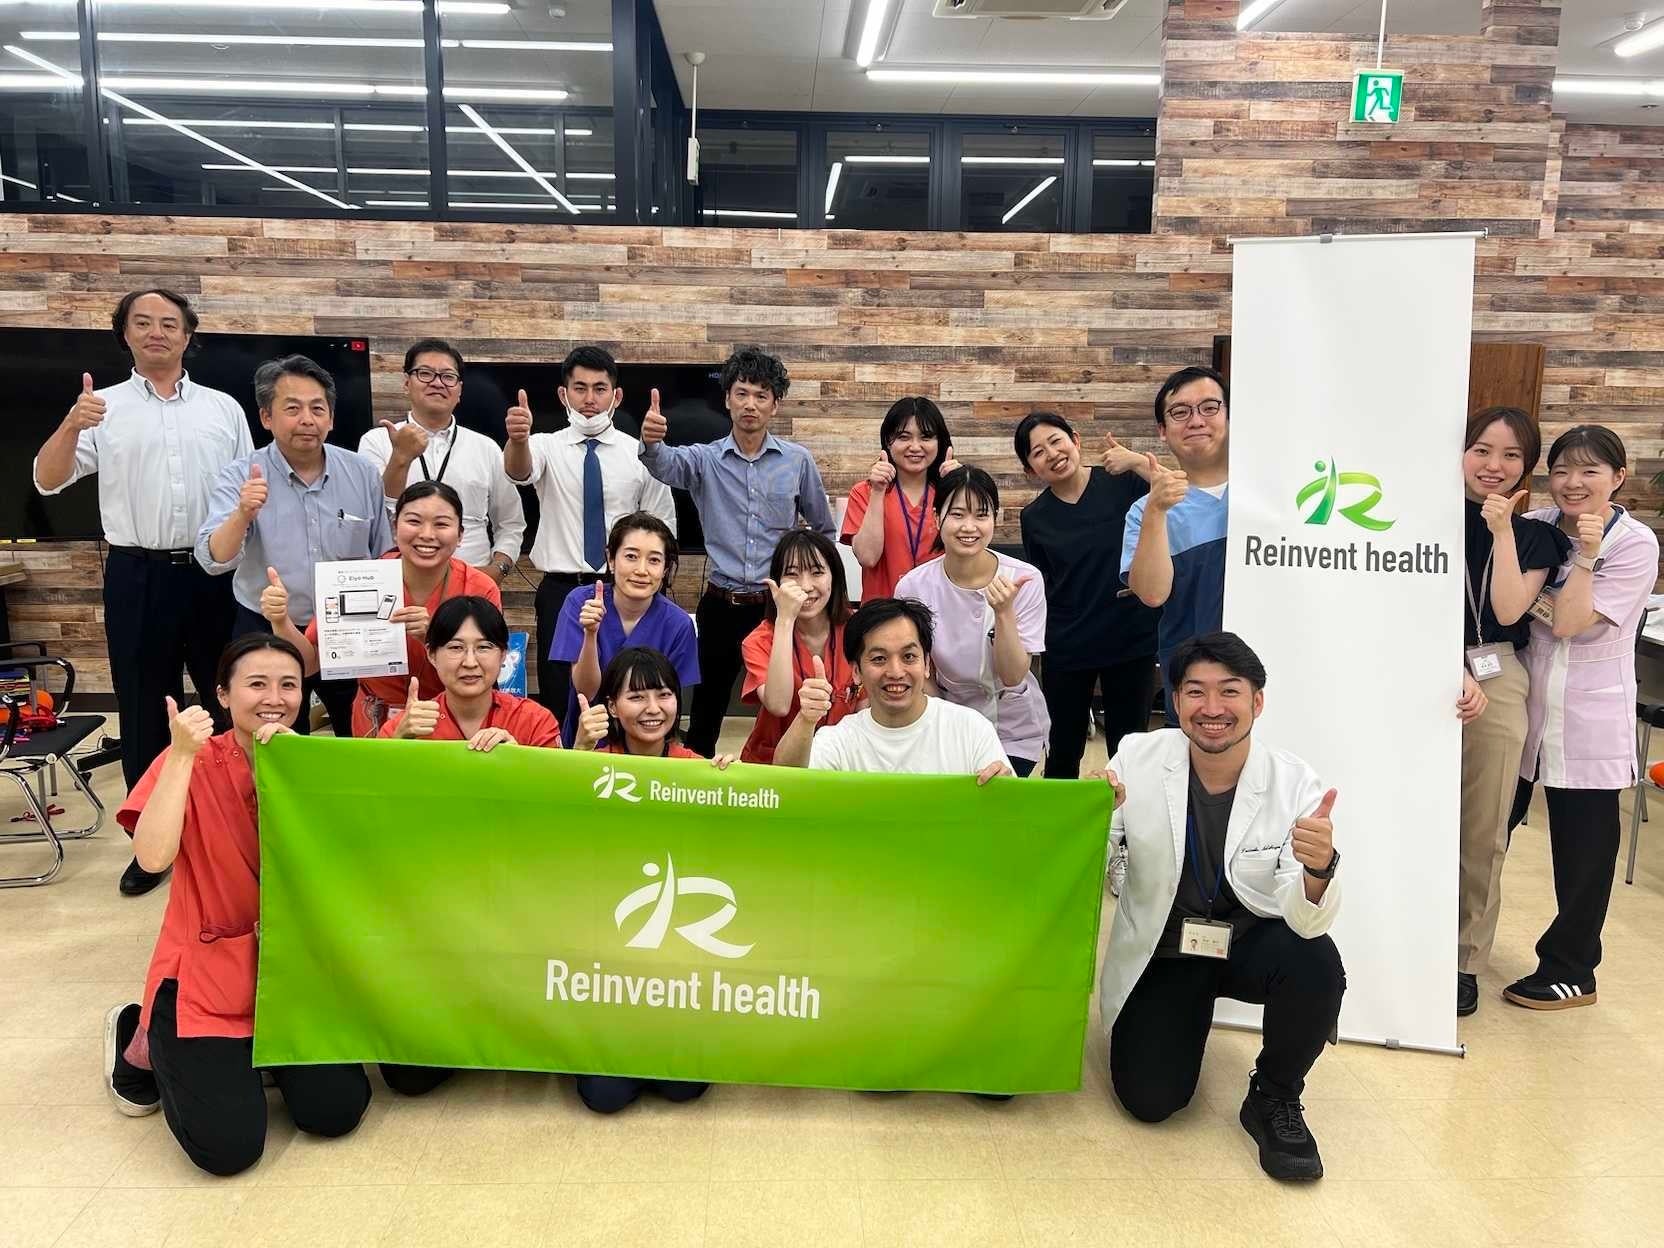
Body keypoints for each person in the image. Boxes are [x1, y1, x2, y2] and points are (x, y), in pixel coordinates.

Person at [102, 634, 370, 1174]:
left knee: (335, 1112)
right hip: (205, 973)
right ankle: (138, 1035)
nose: (274, 697)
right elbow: (152, 857)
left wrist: (299, 769)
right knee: (229, 1150)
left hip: (290, 971)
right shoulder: (191, 761)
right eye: (257, 684)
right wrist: (181, 754)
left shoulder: (314, 762)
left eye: (289, 685)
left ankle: (253, 1056)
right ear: (223, 694)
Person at [1097, 632, 1342, 1182]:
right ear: (1175, 700)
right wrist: (1090, 817)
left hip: (1250, 944)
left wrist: (1319, 869)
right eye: (1195, 691)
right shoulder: (1137, 757)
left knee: (1316, 962)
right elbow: (1098, 868)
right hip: (1167, 948)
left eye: (1229, 691)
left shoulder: (1294, 782)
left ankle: (1275, 1096)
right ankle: (1182, 1017)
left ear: (1257, 701)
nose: (1212, 708)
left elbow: (1306, 920)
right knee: (1150, 1102)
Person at [32, 288, 252, 897]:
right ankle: (150, 846)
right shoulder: (101, 407)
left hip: (213, 572)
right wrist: (70, 424)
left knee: (228, 701)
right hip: (137, 573)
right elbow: (47, 481)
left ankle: (235, 825)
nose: (157, 332)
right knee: (142, 707)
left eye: (170, 323)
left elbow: (247, 491)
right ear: (125, 334)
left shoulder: (223, 409)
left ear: (188, 335)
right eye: (143, 323)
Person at [1505, 426, 1657, 1010]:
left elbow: (1568, 623)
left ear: (1618, 478)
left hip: (1590, 713)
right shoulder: (1537, 524)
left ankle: (1571, 969)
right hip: (1521, 704)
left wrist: (1588, 556)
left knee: (1583, 853)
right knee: (1488, 830)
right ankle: (1456, 941)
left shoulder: (1633, 543)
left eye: (1590, 470)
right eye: (1563, 469)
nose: (1573, 482)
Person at [639, 345, 837, 756]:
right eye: (742, 393)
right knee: (707, 706)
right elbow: (665, 465)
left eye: (761, 395)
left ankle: (788, 771)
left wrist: (809, 582)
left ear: (775, 405)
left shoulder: (797, 461)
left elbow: (823, 530)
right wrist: (652, 442)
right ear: (727, 399)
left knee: (785, 700)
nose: (750, 404)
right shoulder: (705, 460)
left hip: (777, 607)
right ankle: (696, 780)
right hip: (721, 603)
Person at [569, 646, 731, 1114]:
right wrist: (578, 754)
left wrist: (729, 788)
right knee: (605, 1096)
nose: (653, 708)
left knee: (685, 1088)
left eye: (664, 694)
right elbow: (560, 832)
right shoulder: (590, 765)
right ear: (612, 707)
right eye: (637, 697)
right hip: (603, 947)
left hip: (673, 951)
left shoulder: (694, 769)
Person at [196, 354, 393, 738]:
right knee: (275, 737)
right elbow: (212, 558)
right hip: (266, 625)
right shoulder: (241, 475)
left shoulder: (362, 472)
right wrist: (242, 513)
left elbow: (383, 553)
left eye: (318, 409)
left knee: (360, 733)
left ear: (331, 418)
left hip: (348, 625)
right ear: (266, 417)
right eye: (292, 408)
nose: (307, 419)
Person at [1456, 406, 1571, 1018]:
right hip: (1411, 665)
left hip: (1494, 671)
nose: (1493, 466)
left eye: (1510, 456)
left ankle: (1464, 958)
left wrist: (1501, 530)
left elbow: (1505, 610)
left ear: (1527, 467)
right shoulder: (1417, 521)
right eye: (1481, 450)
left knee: (1483, 824)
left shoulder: (1537, 538)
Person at [502, 345, 676, 719]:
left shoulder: (639, 454)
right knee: (559, 694)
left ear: (617, 396)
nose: (589, 399)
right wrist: (517, 440)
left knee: (626, 691)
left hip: (624, 591)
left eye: (599, 389)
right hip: (562, 591)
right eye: (579, 388)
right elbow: (519, 471)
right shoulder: (544, 445)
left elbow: (662, 529)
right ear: (563, 394)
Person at [262, 481, 500, 737]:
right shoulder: (359, 579)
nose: (427, 534)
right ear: (395, 528)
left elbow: (486, 669)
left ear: (460, 534)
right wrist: (281, 620)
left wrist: (434, 638)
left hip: (450, 719)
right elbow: (309, 664)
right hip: (375, 720)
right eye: (414, 521)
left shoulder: (478, 588)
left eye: (441, 524)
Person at [1017, 410, 1161, 777]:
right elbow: (1044, 582)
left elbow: (1178, 491)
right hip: (1068, 643)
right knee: (1063, 749)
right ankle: (1060, 814)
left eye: (1056, 441)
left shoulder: (1124, 482)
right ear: (1031, 470)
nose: (1052, 453)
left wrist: (1137, 461)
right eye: (1038, 452)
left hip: (1130, 635)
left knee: (1128, 749)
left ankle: (1126, 815)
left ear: (1076, 441)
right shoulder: (1034, 517)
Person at [895, 466, 1050, 775]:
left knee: (997, 801)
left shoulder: (1024, 579)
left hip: (1013, 730)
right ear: (937, 517)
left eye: (981, 515)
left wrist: (1004, 613)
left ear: (996, 518)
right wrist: (945, 725)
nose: (969, 527)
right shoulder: (913, 587)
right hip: (946, 720)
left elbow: (1013, 675)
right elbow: (917, 668)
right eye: (957, 514)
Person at [774, 597, 1010, 782]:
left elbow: (1006, 812)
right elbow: (786, 786)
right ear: (856, 671)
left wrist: (1003, 789)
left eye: (909, 656)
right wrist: (806, 718)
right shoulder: (838, 740)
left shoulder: (971, 729)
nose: (896, 672)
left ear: (926, 664)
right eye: (879, 658)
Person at [356, 338, 525, 582]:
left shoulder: (485, 447)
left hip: (473, 581)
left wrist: (497, 570)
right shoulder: (376, 441)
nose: (437, 383)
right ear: (406, 383)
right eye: (425, 373)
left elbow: (511, 522)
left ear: (459, 390)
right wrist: (400, 457)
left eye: (448, 376)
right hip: (400, 583)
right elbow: (375, 517)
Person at [1123, 366, 1230, 719]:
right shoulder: (1145, 511)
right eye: (1180, 412)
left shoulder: (1271, 495)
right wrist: (1157, 510)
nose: (1196, 421)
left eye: (1209, 407)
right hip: (1198, 684)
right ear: (1162, 430)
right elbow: (1152, 594)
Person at [548, 512, 698, 747]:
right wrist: (590, 634)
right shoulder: (580, 602)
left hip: (646, 746)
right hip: (588, 741)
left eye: (654, 560)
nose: (642, 570)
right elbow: (585, 690)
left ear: (665, 568)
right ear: (611, 559)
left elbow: (668, 704)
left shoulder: (678, 624)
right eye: (631, 556)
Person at [739, 530, 862, 765]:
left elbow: (866, 709)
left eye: (817, 572)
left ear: (834, 576)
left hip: (840, 763)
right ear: (777, 581)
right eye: (792, 574)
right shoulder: (759, 641)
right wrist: (785, 620)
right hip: (773, 766)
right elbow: (778, 705)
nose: (805, 586)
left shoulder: (858, 630)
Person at [840, 397, 959, 601]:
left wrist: (960, 488)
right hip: (883, 613)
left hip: (939, 610)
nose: (915, 447)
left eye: (926, 437)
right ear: (888, 441)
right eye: (904, 437)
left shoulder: (951, 493)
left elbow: (970, 554)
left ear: (940, 442)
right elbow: (868, 557)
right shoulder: (864, 492)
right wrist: (878, 491)